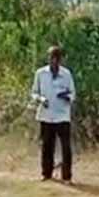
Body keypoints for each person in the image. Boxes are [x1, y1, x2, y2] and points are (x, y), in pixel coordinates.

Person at [31, 46, 76, 183]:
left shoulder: (66, 74)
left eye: (57, 58)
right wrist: (41, 99)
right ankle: (47, 173)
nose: (54, 61)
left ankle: (66, 176)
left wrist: (66, 96)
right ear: (49, 58)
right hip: (46, 114)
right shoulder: (40, 73)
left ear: (61, 59)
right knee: (47, 145)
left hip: (62, 115)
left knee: (66, 147)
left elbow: (73, 93)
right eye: (52, 58)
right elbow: (34, 93)